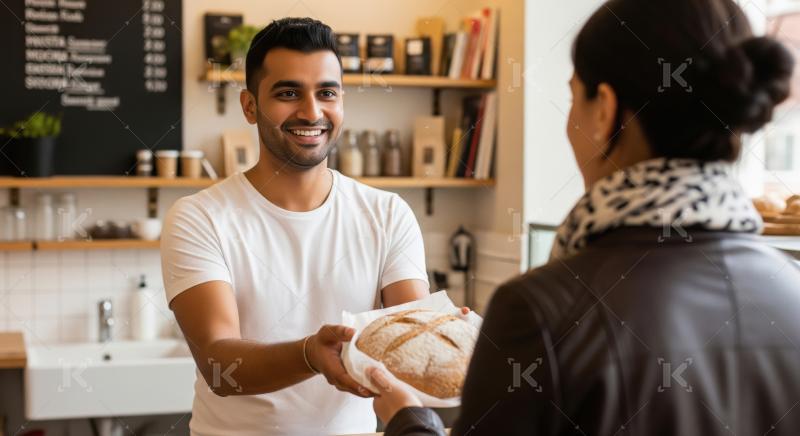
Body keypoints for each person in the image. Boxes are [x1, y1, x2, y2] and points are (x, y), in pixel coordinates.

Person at [367, 0, 800, 434]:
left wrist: (410, 421)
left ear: (604, 109)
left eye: (574, 96)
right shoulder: (791, 285)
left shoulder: (540, 310)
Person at [160, 18, 433, 435]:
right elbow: (219, 366)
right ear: (250, 106)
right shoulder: (200, 217)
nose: (311, 112)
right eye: (288, 93)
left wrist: (449, 336)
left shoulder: (388, 214)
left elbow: (408, 347)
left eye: (327, 93)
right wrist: (308, 354)